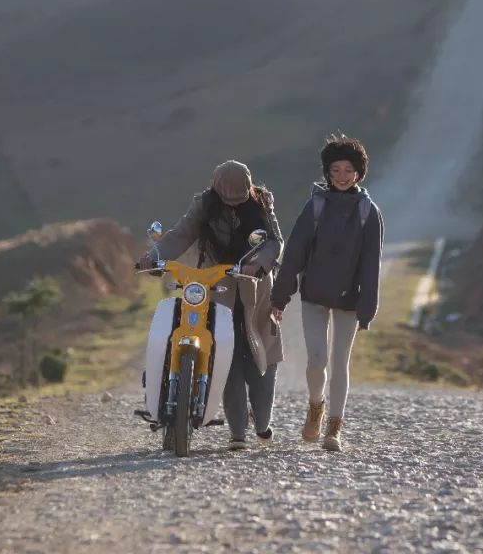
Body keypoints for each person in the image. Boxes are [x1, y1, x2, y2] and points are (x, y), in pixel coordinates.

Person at [136, 160, 283, 450]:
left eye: (239, 200)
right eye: (227, 200)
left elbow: (275, 241)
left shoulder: (262, 202)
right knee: (225, 357)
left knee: (262, 361)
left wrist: (259, 263)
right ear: (216, 190)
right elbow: (180, 234)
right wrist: (152, 256)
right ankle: (238, 433)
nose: (233, 205)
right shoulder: (203, 205)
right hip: (218, 286)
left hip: (256, 289)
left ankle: (262, 422)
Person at [270, 135, 384, 452]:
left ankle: (334, 428)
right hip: (314, 296)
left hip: (349, 299)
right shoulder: (315, 206)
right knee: (315, 363)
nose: (342, 176)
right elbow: (293, 254)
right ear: (327, 172)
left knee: (339, 364)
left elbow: (371, 264)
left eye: (348, 170)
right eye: (335, 170)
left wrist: (367, 309)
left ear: (359, 173)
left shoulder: (368, 213)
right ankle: (315, 407)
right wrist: (279, 298)